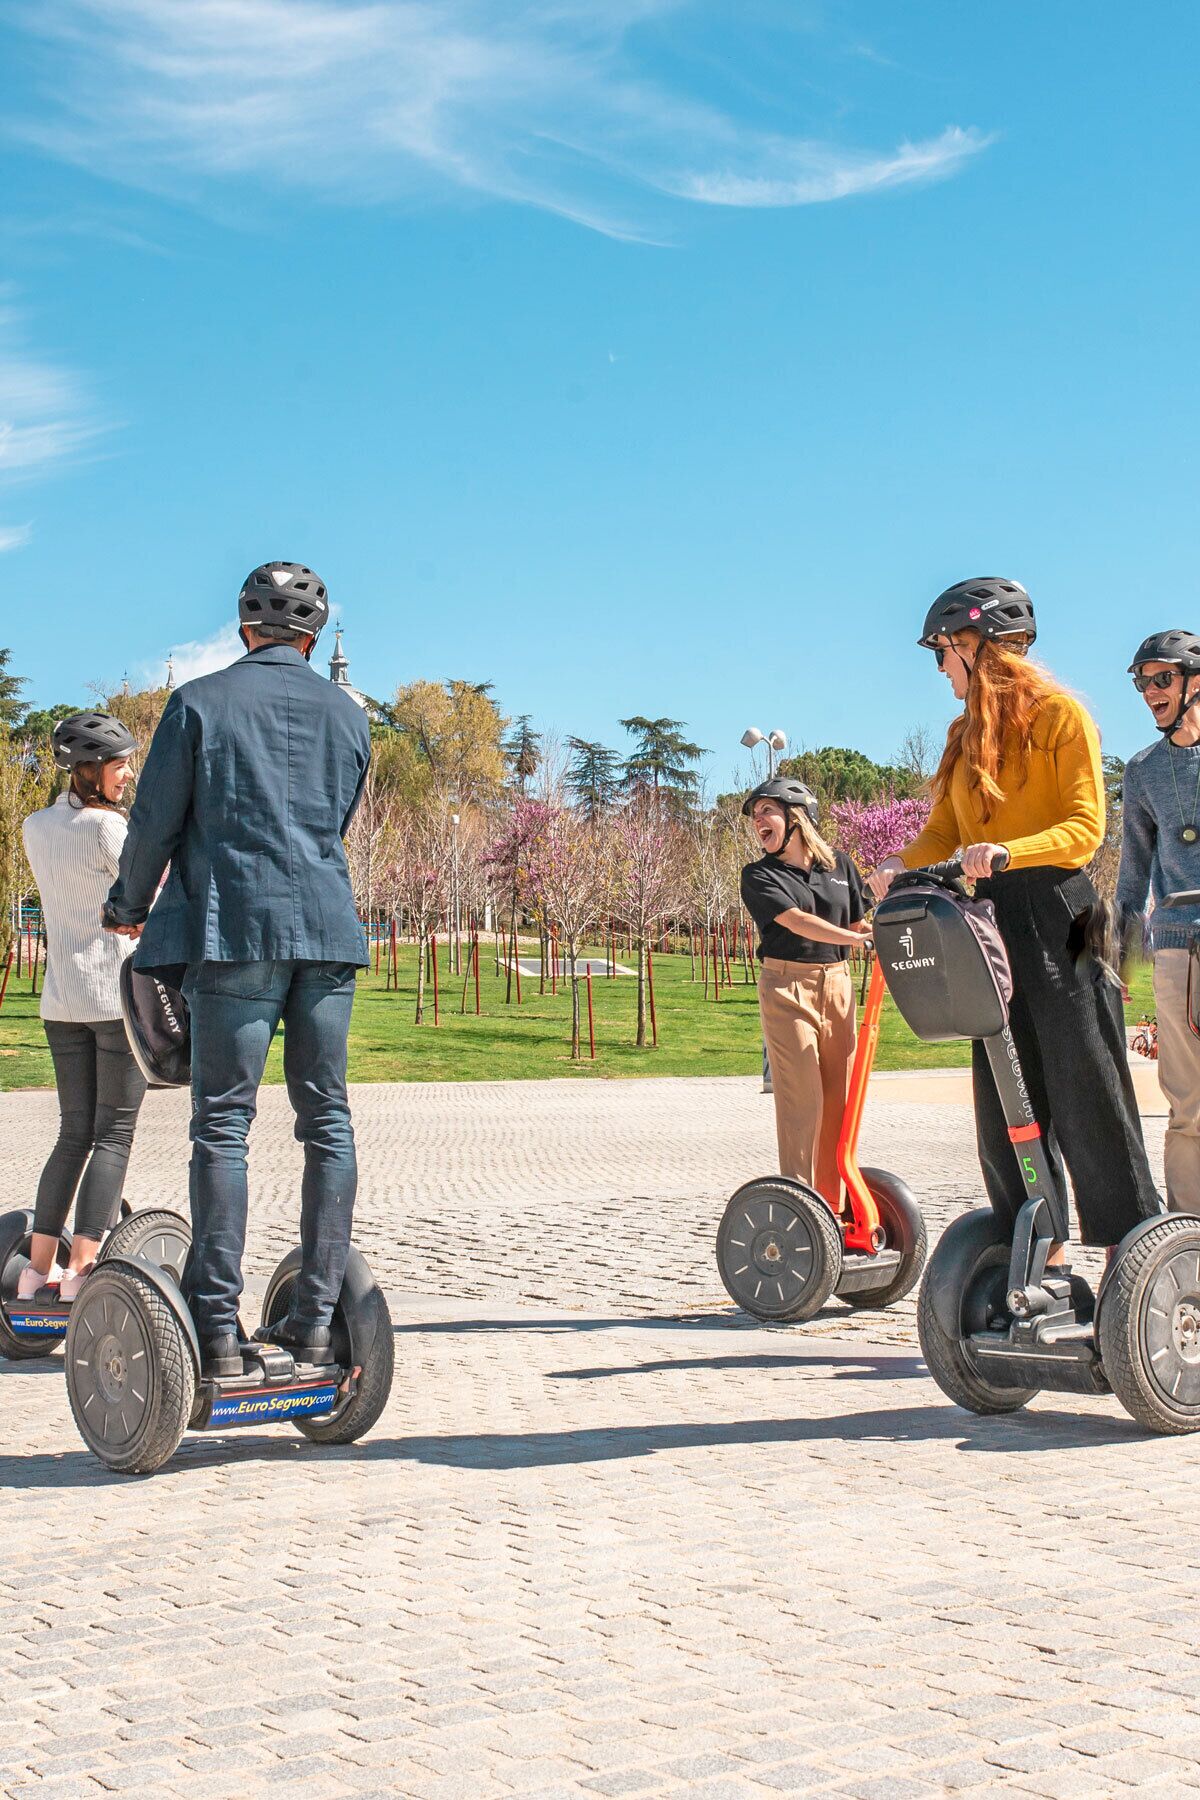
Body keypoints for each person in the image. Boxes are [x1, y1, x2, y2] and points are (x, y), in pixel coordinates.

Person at [103, 563, 370, 1377]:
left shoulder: (200, 702)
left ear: (244, 628)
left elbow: (154, 819)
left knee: (224, 1123)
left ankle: (216, 1329)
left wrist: (126, 904)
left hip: (235, 931)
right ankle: (317, 1324)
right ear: (313, 636)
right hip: (326, 932)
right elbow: (340, 819)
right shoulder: (349, 715)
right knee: (328, 1122)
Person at [869, 577, 1160, 1261]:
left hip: (1065, 910)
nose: (939, 668)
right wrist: (897, 865)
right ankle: (1035, 1246)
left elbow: (1085, 828)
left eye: (942, 652)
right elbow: (942, 831)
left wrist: (1007, 851)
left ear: (975, 646)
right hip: (989, 922)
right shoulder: (961, 736)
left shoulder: (1061, 716)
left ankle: (1133, 1256)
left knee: (1088, 1083)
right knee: (1006, 1093)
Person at [18, 713, 146, 1300]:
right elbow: (146, 900)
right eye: (120, 764)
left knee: (74, 1133)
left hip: (60, 999)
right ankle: (82, 1274)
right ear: (91, 769)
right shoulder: (107, 830)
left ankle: (33, 1272)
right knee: (113, 1133)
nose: (128, 774)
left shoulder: (34, 826)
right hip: (111, 998)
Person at [740, 777, 872, 1206]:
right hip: (787, 987)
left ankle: (830, 1208)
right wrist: (854, 941)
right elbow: (796, 921)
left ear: (796, 817)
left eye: (766, 811)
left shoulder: (840, 867)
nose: (758, 820)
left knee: (839, 1102)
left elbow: (857, 927)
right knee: (804, 1102)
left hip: (838, 985)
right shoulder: (759, 875)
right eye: (756, 815)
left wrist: (893, 929)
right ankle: (800, 1207)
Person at [1116, 630, 1200, 1210]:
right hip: (1177, 951)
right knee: (1188, 1104)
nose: (1150, 690)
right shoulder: (1143, 772)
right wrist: (1110, 961)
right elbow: (1131, 876)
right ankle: (1190, 1246)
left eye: (1161, 677)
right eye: (1143, 681)